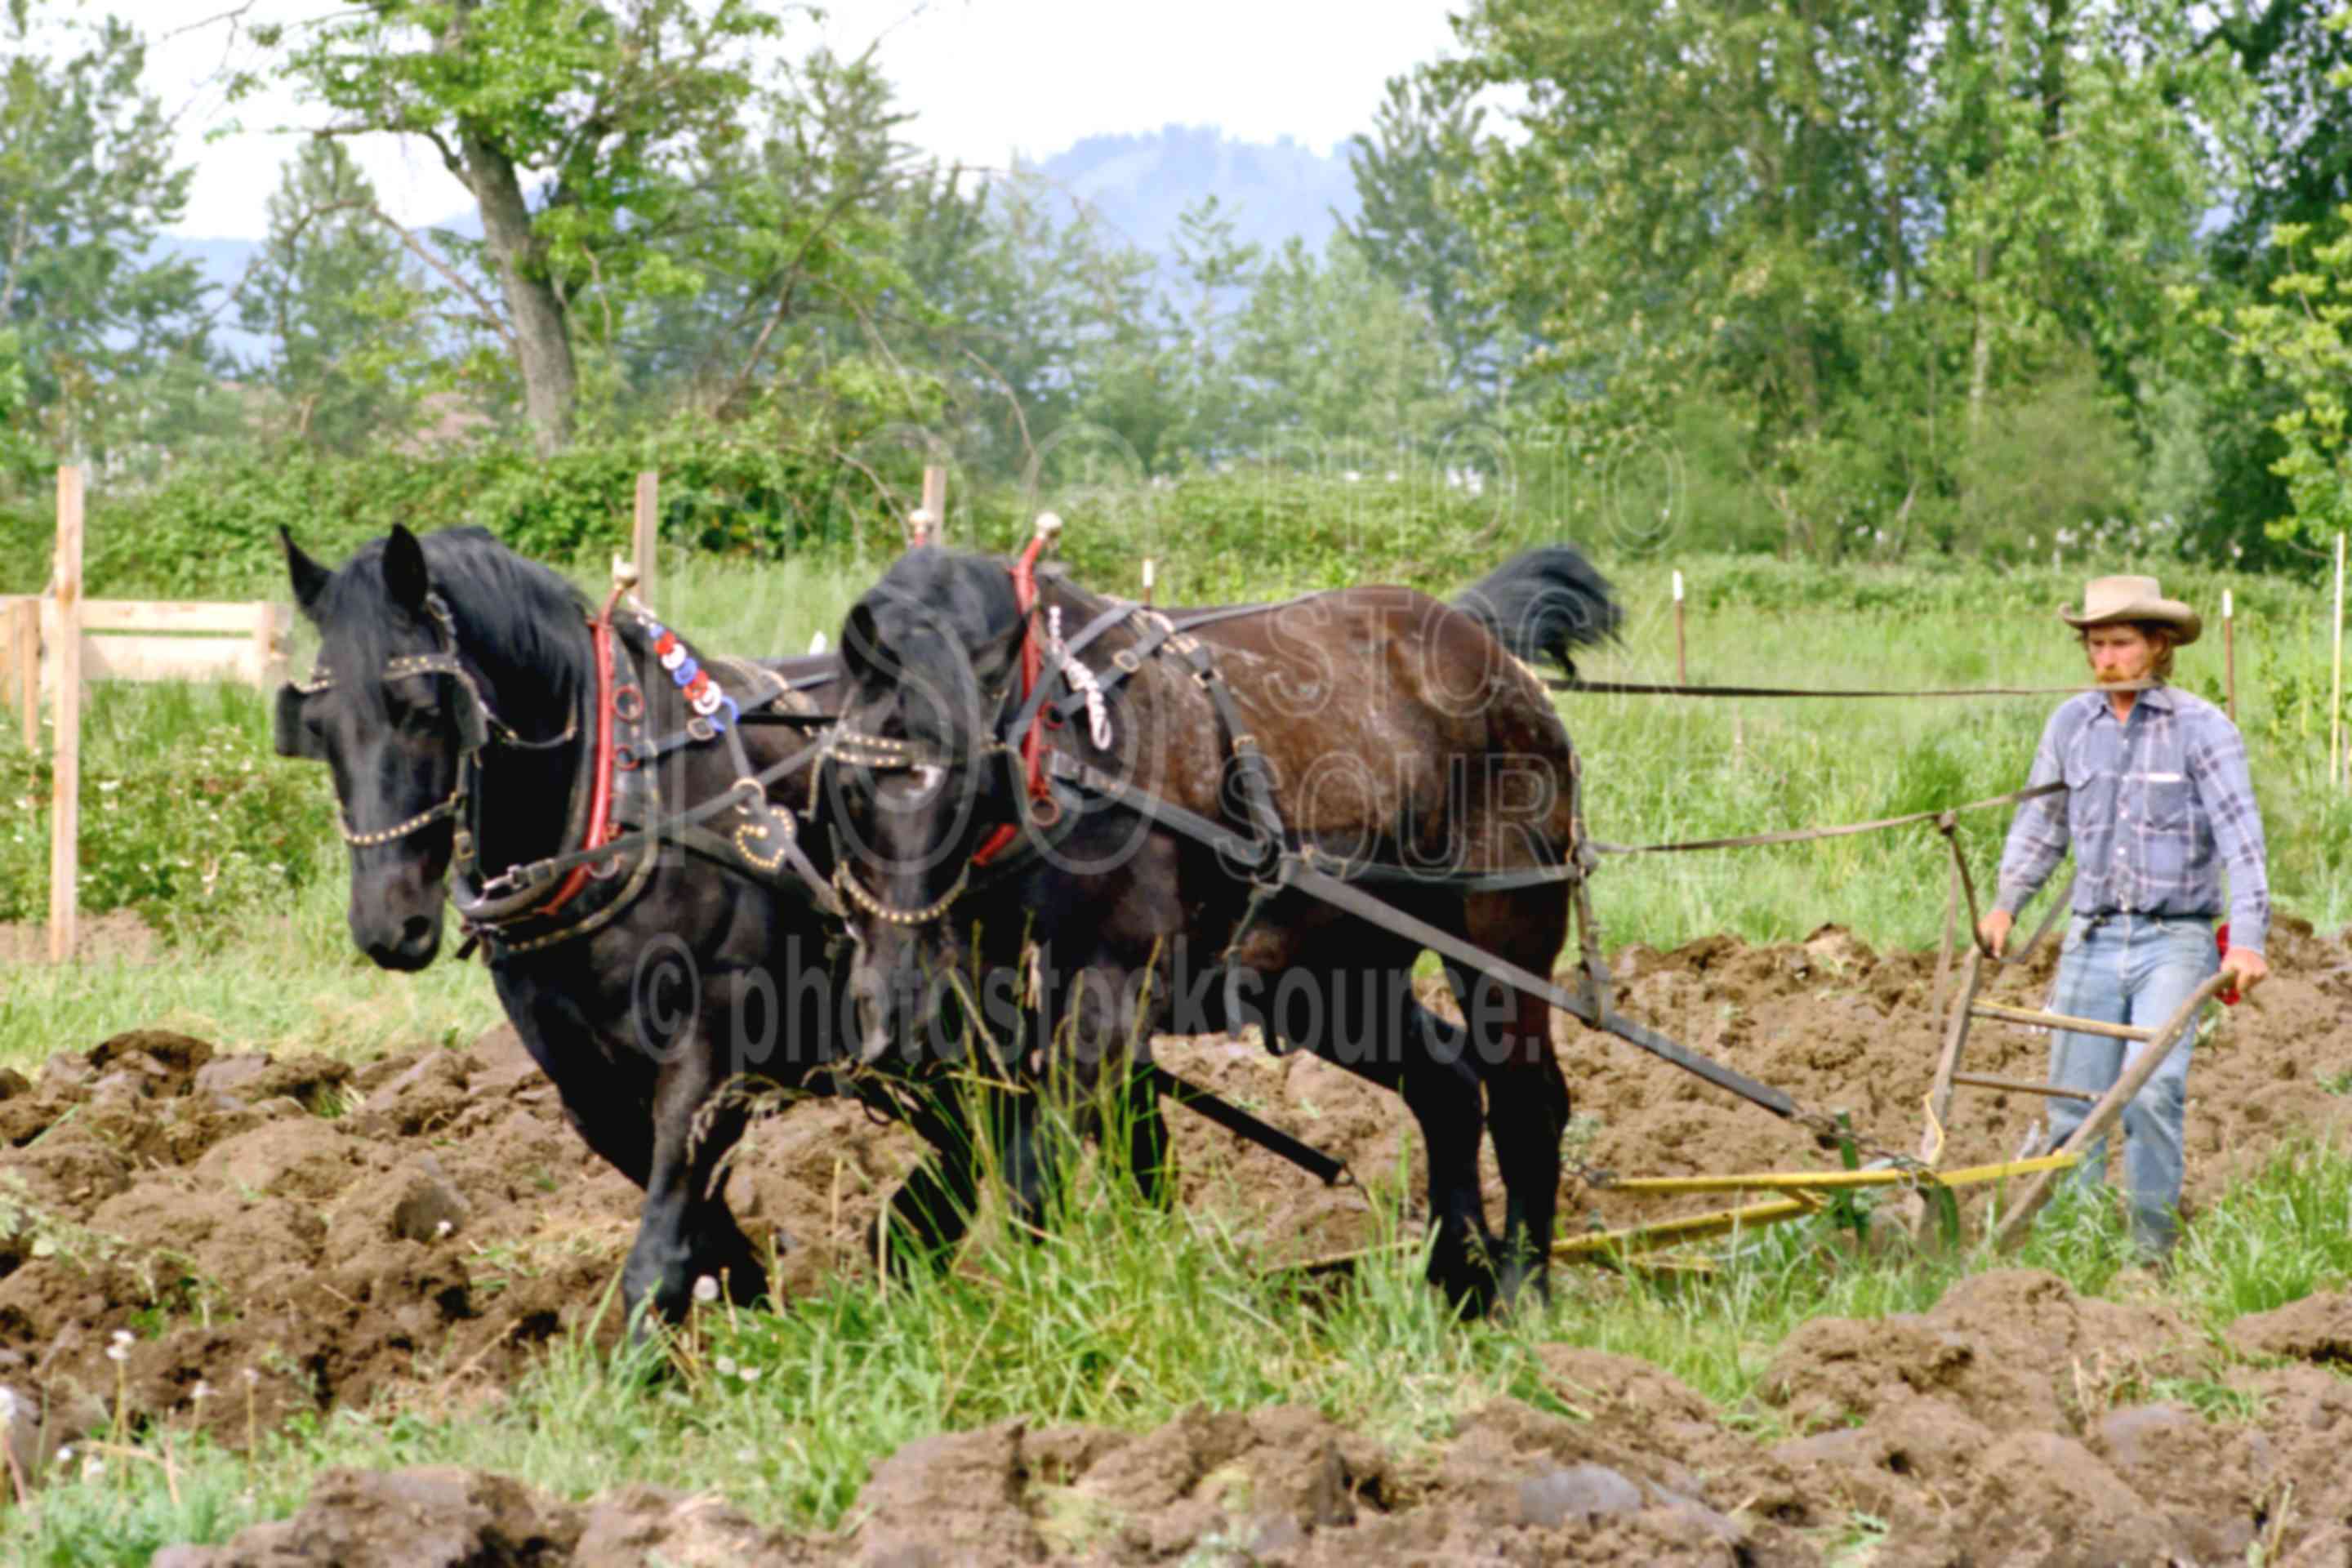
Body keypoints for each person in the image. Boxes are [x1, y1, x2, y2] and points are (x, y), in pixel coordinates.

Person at [1977, 574, 2270, 1258]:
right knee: (2073, 1100)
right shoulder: (2071, 725)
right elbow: (2042, 825)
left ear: (2158, 646)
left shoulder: (2203, 729)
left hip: (2175, 940)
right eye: (2096, 645)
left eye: (2120, 644)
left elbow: (2242, 841)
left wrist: (2248, 940)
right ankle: (2072, 1251)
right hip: (2093, 936)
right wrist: (2005, 904)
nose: (2105, 659)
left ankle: (2149, 1252)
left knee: (2152, 1092)